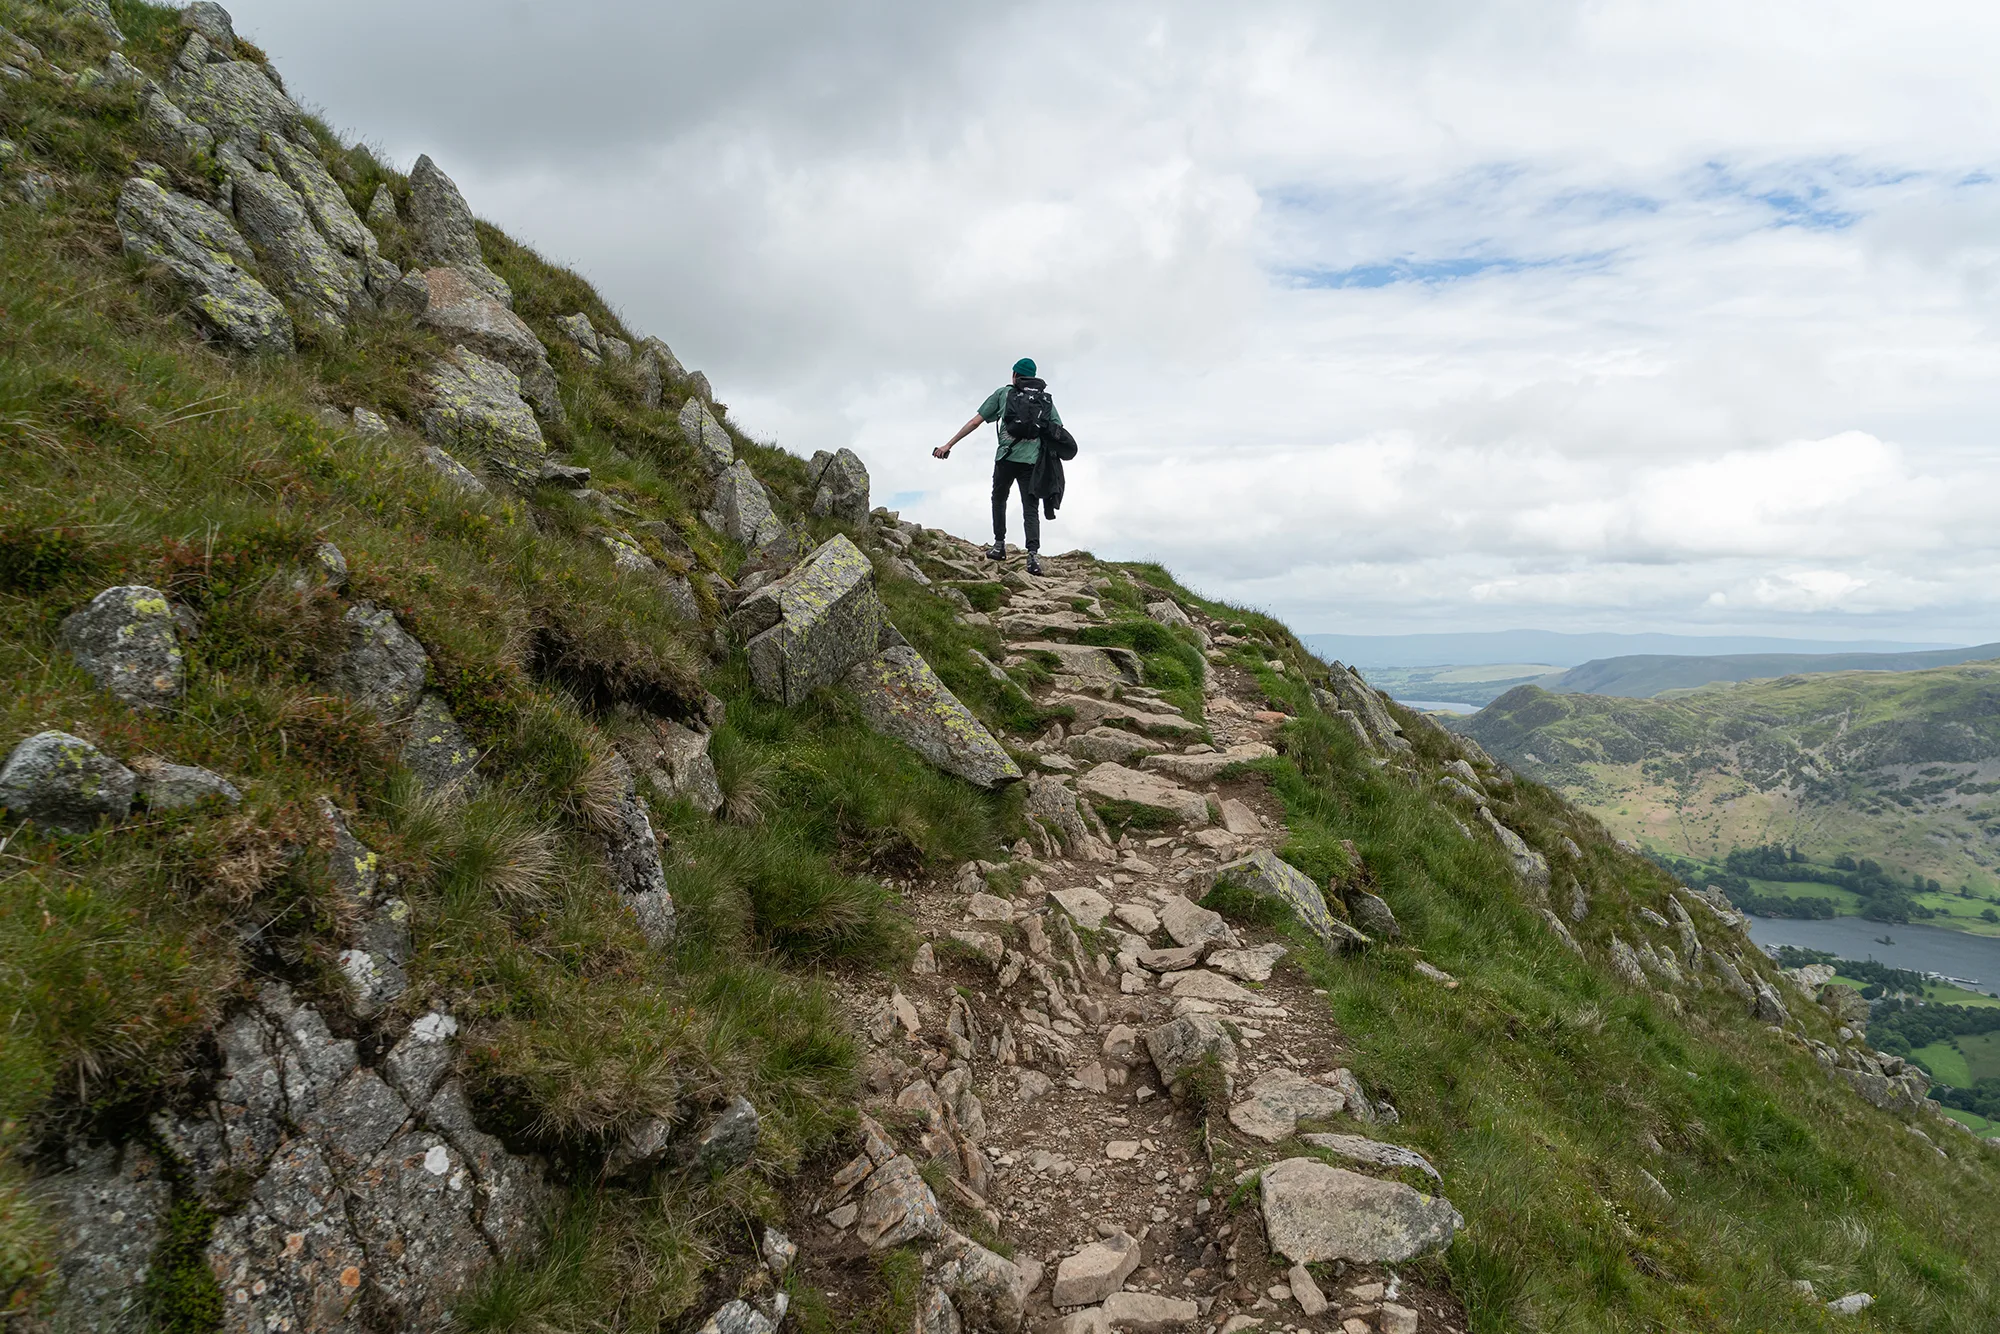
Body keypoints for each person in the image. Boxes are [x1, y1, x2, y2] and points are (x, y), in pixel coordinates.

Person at [934, 357, 1061, 575]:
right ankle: (1032, 557)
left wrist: (948, 444)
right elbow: (1057, 428)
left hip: (1005, 457)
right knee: (1030, 508)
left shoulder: (1004, 394)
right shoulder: (1044, 399)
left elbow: (975, 422)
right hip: (1031, 462)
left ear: (1014, 375)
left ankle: (999, 545)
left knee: (999, 498)